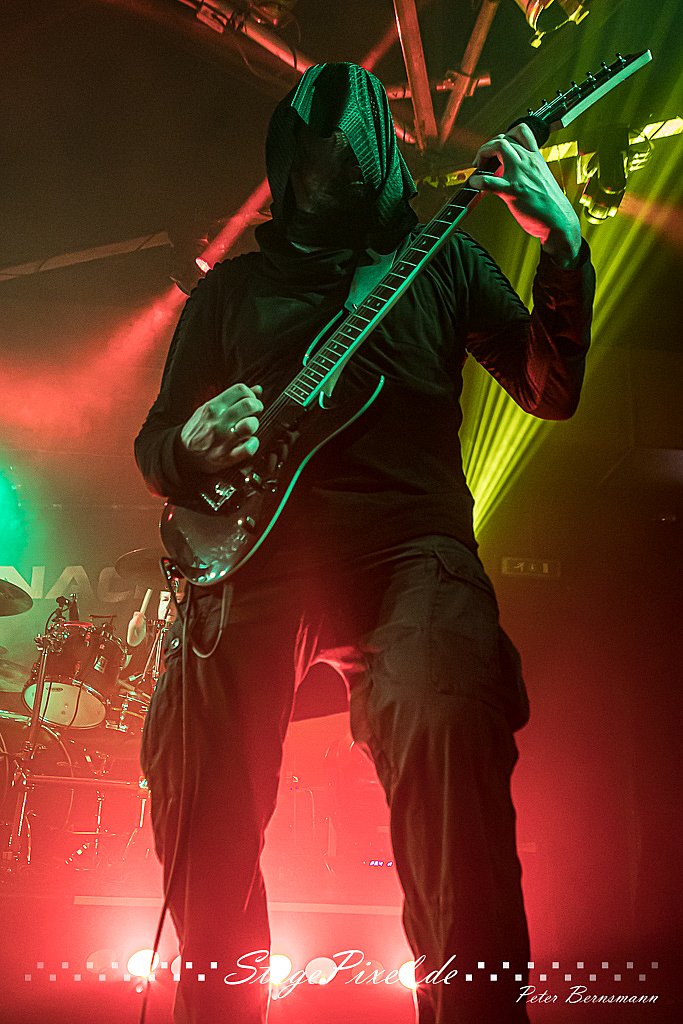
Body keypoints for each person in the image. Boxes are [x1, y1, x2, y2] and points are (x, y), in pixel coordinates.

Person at [135, 62, 595, 1024]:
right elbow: (158, 444)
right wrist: (188, 447)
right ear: (285, 165)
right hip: (253, 557)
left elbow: (549, 390)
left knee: (446, 721)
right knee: (191, 767)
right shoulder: (232, 294)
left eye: (346, 165)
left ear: (381, 165)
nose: (326, 183)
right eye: (310, 166)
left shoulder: (442, 265)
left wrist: (563, 246)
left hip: (409, 551)